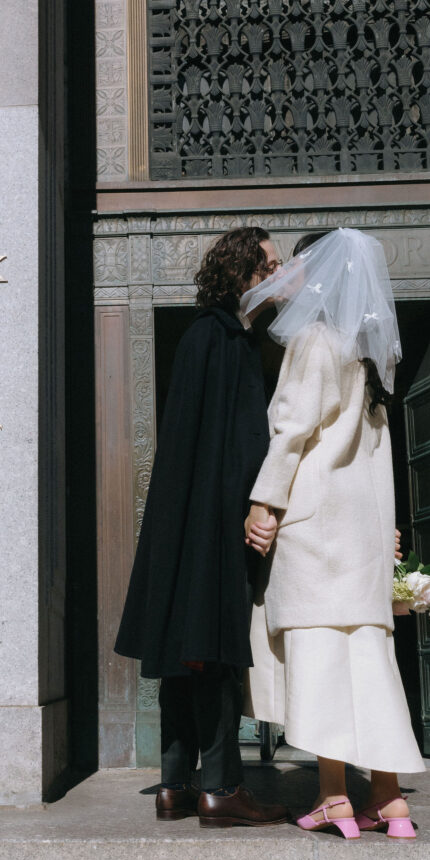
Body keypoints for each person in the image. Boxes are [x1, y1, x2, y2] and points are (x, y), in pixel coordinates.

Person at [243, 227, 426, 840]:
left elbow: (291, 432)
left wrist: (264, 504)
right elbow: (376, 452)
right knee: (369, 664)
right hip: (360, 534)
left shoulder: (314, 341)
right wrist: (385, 531)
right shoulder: (373, 357)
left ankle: (331, 798)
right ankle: (389, 800)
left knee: (320, 658)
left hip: (315, 530)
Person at [114, 226, 288, 828]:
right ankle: (220, 786)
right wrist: (258, 509)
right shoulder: (229, 341)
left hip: (183, 521)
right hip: (218, 518)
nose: (277, 274)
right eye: (268, 265)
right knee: (212, 650)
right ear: (243, 272)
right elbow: (244, 445)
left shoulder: (201, 337)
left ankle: (174, 784)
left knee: (183, 648)